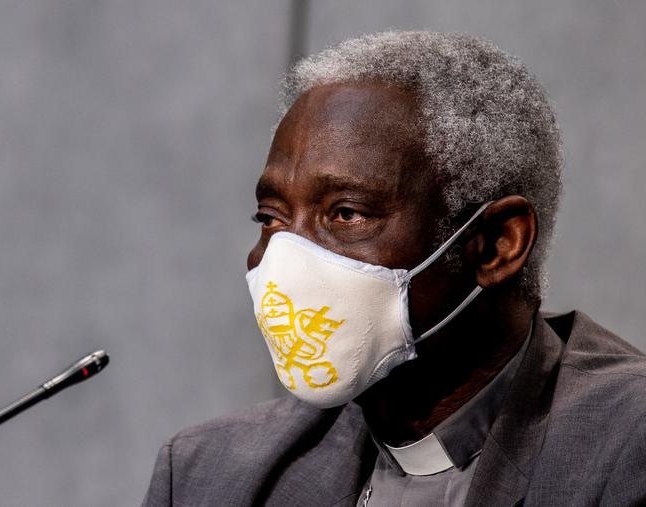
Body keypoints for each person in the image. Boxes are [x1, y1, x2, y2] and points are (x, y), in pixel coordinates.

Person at [142, 31, 646, 506]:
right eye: (270, 218)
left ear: (496, 245)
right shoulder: (208, 475)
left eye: (346, 213)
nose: (283, 260)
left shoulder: (627, 446)